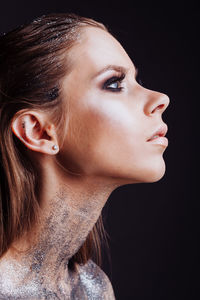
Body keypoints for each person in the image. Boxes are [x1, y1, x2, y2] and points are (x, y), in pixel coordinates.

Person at [0, 12, 170, 299]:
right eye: (115, 83)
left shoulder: (92, 288)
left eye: (135, 80)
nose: (160, 99)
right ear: (39, 132)